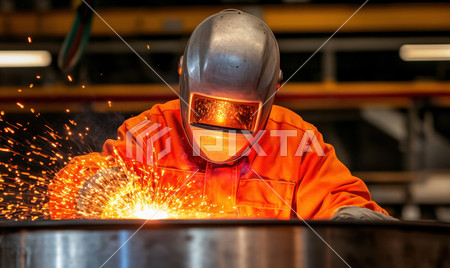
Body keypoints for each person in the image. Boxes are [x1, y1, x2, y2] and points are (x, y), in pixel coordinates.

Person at [48, 9, 393, 221]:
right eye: (208, 108)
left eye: (241, 114)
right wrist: (92, 187)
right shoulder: (151, 134)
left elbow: (339, 200)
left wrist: (352, 222)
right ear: (183, 83)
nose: (220, 129)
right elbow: (82, 179)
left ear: (271, 95)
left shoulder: (298, 144)